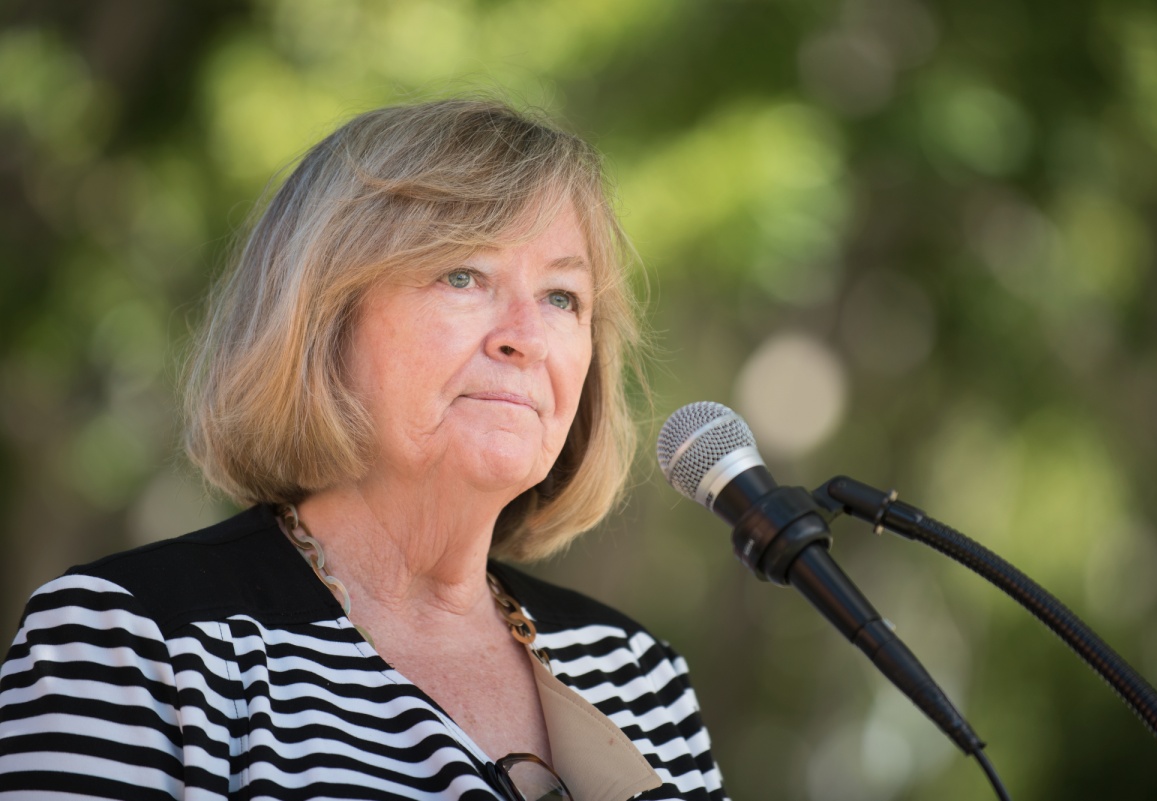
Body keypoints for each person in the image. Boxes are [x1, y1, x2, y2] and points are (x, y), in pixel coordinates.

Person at [0, 99, 727, 800]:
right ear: (322, 319)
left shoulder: (635, 671)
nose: (526, 338)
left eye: (562, 297)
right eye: (463, 275)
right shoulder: (134, 643)